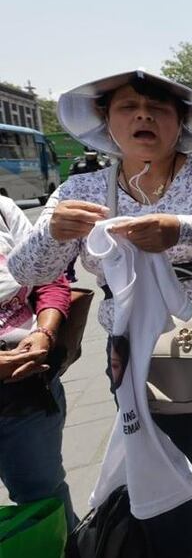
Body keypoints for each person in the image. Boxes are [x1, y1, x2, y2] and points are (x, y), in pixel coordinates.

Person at [10, 69, 192, 558]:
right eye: (129, 107)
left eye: (159, 108)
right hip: (134, 350)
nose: (144, 115)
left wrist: (178, 228)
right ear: (108, 121)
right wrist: (53, 232)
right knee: (159, 457)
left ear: (181, 122)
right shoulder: (80, 189)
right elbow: (26, 269)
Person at [0, 195, 75, 531]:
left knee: (45, 498)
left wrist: (45, 332)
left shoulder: (3, 208)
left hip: (27, 392)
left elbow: (48, 276)